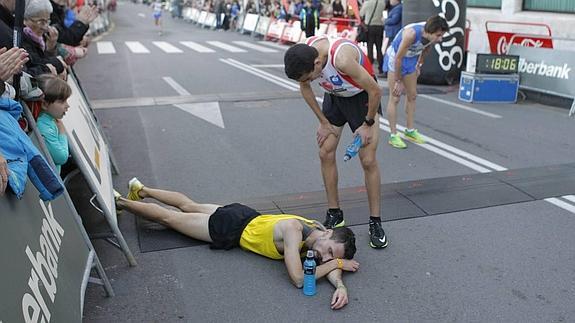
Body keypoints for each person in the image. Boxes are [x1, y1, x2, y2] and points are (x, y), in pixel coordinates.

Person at [115, 177, 360, 310]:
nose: (324, 257)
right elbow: (298, 279)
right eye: (328, 251)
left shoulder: (316, 228)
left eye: (330, 256)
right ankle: (120, 202)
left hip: (244, 214)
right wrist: (337, 262)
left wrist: (340, 285)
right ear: (328, 233)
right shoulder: (294, 232)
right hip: (232, 228)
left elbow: (325, 263)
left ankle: (141, 189)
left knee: (189, 205)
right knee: (171, 218)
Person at [283, 37, 388, 249]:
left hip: (362, 98)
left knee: (367, 160)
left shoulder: (341, 59)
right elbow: (304, 88)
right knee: (325, 151)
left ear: (317, 64)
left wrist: (367, 123)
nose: (309, 81)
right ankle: (335, 213)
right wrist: (323, 122)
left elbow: (376, 90)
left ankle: (375, 222)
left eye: (310, 77)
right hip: (335, 97)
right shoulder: (305, 53)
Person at [383, 15, 448, 149]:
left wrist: (419, 65)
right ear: (431, 31)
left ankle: (410, 130)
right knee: (395, 97)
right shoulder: (411, 34)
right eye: (439, 35)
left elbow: (426, 48)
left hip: (411, 59)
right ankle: (393, 135)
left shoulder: (431, 36)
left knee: (412, 95)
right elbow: (398, 59)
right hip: (396, 59)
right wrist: (398, 80)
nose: (440, 39)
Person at [35, 74, 72, 174]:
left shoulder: (49, 120)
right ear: (45, 104)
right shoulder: (43, 126)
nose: (67, 106)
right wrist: (62, 133)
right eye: (62, 101)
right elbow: (61, 157)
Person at [359, 0, 386, 75]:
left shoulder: (367, 3)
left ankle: (369, 68)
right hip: (379, 27)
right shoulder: (382, 2)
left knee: (370, 48)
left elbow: (361, 14)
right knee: (379, 49)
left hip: (370, 28)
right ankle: (381, 68)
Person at [381, 0, 401, 77]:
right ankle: (386, 70)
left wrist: (385, 20)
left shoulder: (398, 8)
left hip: (394, 33)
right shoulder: (395, 8)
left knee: (390, 53)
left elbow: (394, 20)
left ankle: (387, 71)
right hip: (393, 33)